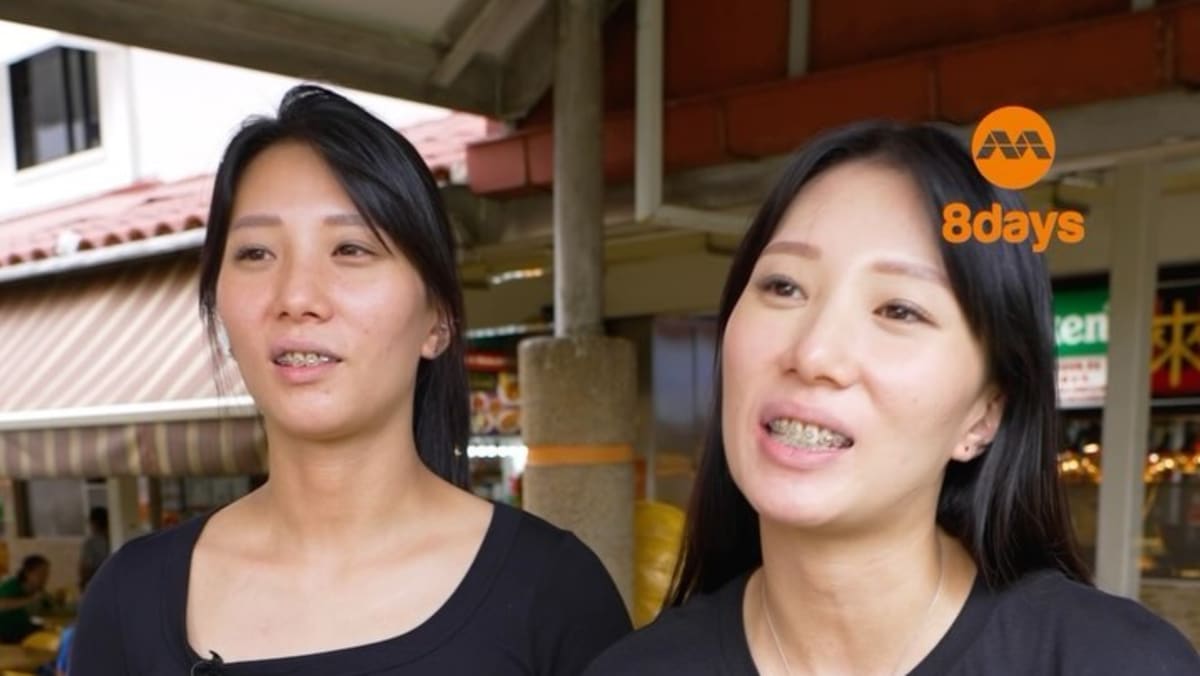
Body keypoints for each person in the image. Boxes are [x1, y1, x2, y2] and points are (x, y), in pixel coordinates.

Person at [585, 121, 1200, 675]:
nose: (815, 353)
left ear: (984, 414)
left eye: (899, 309)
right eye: (784, 285)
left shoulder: (1111, 663)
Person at [71, 84, 631, 674]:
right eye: (257, 254)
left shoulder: (553, 593)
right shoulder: (127, 600)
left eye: (351, 249)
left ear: (437, 318)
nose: (296, 297)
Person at [0, 554, 49, 644]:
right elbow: (2, 605)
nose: (44, 578)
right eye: (40, 574)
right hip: (6, 637)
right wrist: (30, 600)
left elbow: (49, 610)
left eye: (46, 574)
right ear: (27, 573)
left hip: (25, 633)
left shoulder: (38, 591)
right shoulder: (12, 586)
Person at [77, 507, 109, 593]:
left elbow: (85, 568)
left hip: (97, 585)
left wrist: (82, 583)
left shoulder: (91, 543)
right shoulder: (116, 538)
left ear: (94, 523)